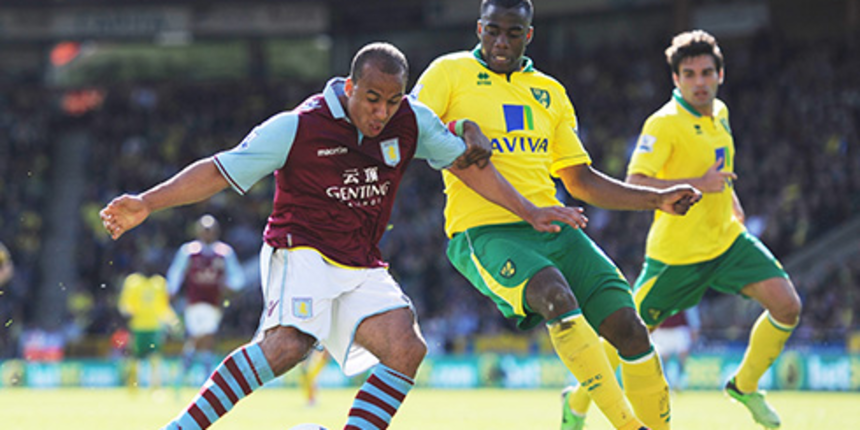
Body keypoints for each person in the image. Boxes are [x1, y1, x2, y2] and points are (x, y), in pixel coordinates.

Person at [101, 42, 587, 430]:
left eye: (393, 101)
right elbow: (218, 170)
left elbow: (466, 165)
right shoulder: (298, 126)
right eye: (372, 99)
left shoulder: (411, 121)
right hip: (300, 250)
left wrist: (528, 209)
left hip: (360, 261)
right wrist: (147, 201)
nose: (381, 113)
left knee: (406, 347)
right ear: (350, 86)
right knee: (289, 345)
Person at [412, 1, 701, 429]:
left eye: (512, 33)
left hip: (551, 225)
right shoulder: (448, 73)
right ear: (478, 28)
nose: (500, 42)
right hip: (487, 232)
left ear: (529, 35)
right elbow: (412, 125)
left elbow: (580, 180)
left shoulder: (550, 91)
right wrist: (458, 129)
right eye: (492, 31)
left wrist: (654, 199)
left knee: (631, 330)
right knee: (554, 295)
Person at [565, 30, 802, 430]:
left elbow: (720, 173)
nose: (699, 82)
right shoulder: (663, 124)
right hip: (675, 257)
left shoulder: (721, 114)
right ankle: (575, 402)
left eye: (706, 73)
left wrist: (730, 198)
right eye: (689, 74)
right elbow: (636, 181)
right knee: (626, 335)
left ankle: (744, 386)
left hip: (727, 241)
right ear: (675, 79)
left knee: (787, 306)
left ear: (720, 75)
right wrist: (700, 183)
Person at [167, 214, 245, 381]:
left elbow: (238, 277)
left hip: (213, 303)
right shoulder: (189, 251)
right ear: (198, 231)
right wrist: (171, 290)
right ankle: (201, 374)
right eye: (205, 229)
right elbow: (176, 272)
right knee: (202, 337)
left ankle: (188, 372)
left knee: (203, 338)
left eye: (211, 230)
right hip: (193, 302)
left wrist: (232, 286)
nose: (207, 233)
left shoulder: (224, 253)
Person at [118, 269, 182, 391]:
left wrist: (172, 320)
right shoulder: (133, 282)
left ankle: (155, 387)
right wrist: (127, 312)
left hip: (154, 327)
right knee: (135, 358)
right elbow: (124, 304)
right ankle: (133, 385)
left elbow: (163, 306)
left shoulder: (159, 283)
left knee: (155, 357)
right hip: (138, 327)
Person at [650, 307, 700, 390]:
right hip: (662, 329)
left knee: (683, 355)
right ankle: (664, 382)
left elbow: (691, 309)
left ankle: (680, 380)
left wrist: (695, 326)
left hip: (679, 328)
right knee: (662, 358)